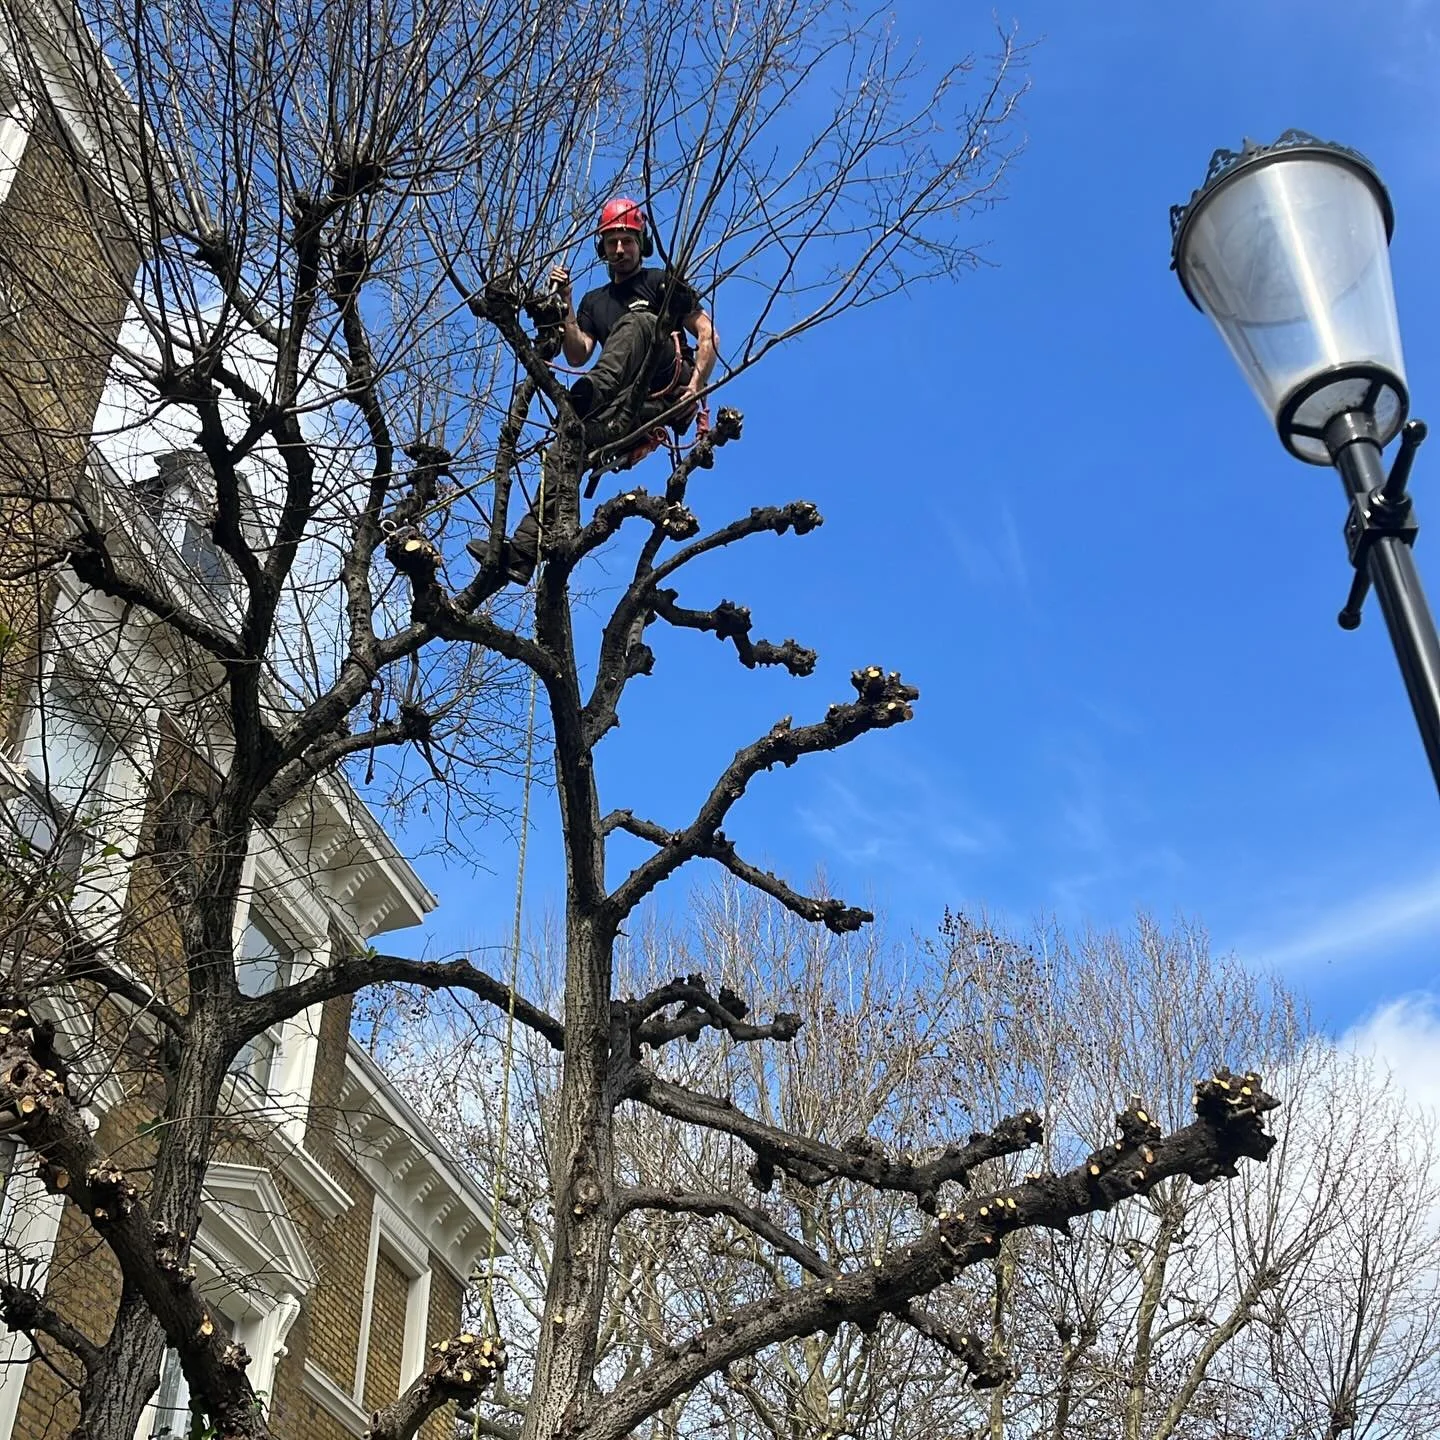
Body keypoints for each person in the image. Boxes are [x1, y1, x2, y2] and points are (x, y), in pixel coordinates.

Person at [471, 196, 718, 584]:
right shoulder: (595, 301)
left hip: (663, 384)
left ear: (641, 243)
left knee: (639, 322)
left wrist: (694, 387)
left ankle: (589, 396)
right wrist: (567, 305)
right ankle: (523, 550)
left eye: (627, 240)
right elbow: (576, 353)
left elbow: (707, 332)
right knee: (566, 450)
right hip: (623, 403)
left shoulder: (660, 282)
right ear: (601, 247)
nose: (620, 249)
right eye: (612, 241)